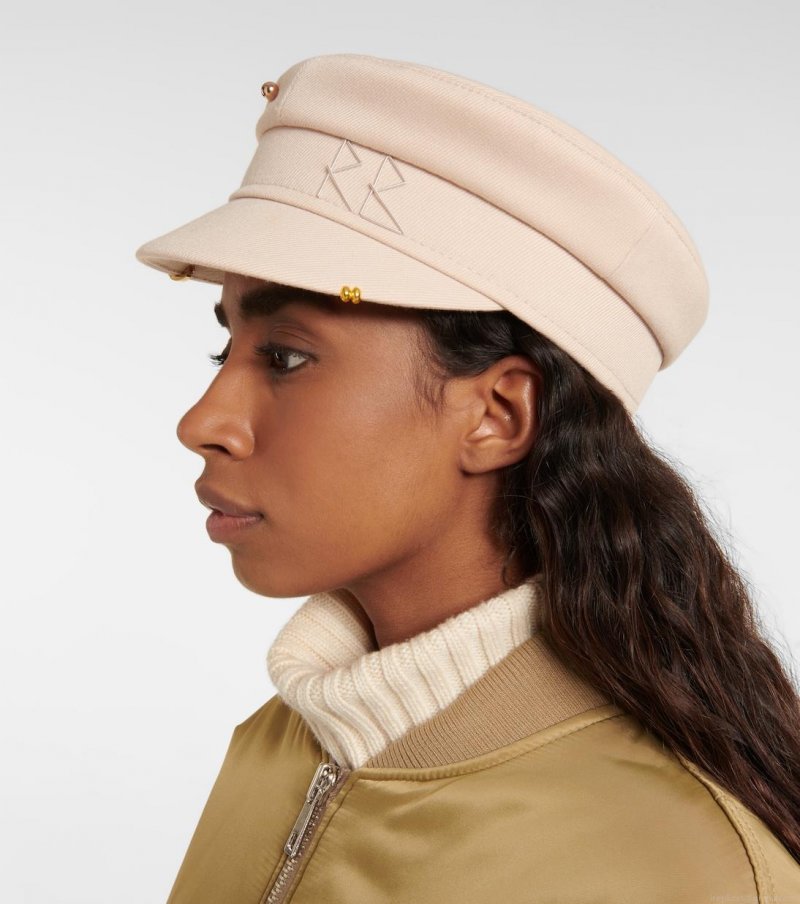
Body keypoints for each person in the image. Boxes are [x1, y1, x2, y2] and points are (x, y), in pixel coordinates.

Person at [134, 52, 800, 903]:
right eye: (224, 347)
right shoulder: (282, 745)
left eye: (287, 357)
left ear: (497, 416)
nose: (203, 423)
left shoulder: (675, 866)